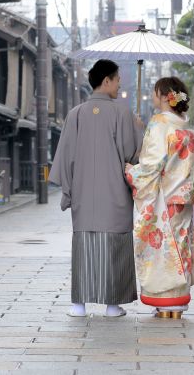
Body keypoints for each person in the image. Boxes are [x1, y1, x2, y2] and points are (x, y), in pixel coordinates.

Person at [49, 59, 143, 318]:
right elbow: (132, 154)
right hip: (114, 195)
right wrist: (138, 129)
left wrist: (69, 190)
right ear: (107, 81)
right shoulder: (121, 112)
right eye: (117, 80)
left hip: (83, 195)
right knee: (114, 248)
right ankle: (113, 305)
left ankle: (78, 304)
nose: (119, 85)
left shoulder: (76, 113)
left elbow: (65, 156)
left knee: (84, 248)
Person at [124, 77, 194, 319]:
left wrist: (131, 170)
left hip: (163, 196)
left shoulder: (159, 123)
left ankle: (167, 302)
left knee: (163, 249)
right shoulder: (186, 126)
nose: (154, 96)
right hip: (184, 197)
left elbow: (151, 164)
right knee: (180, 244)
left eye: (156, 93)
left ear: (165, 96)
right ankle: (178, 302)